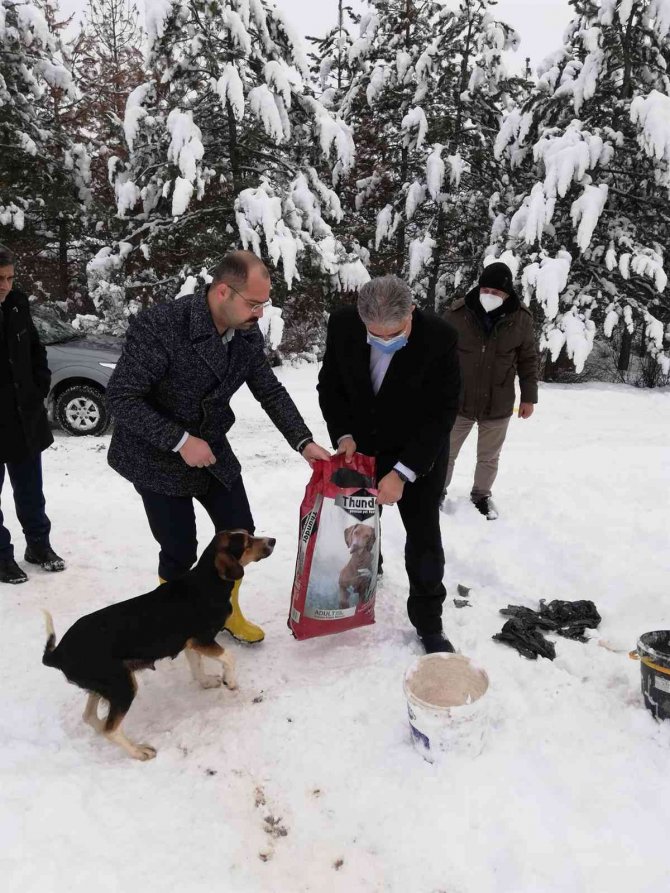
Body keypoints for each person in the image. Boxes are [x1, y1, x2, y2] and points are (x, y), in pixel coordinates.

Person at [106, 250, 330, 642]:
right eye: (254, 303)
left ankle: (225, 611)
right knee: (179, 549)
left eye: (265, 304)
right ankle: (175, 623)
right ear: (223, 291)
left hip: (210, 446)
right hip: (155, 450)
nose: (260, 313)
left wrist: (303, 441)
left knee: (239, 528)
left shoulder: (244, 331)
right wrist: (178, 441)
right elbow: (121, 398)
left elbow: (269, 389)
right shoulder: (161, 325)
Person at [317, 275, 461, 654]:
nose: (384, 341)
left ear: (411, 312)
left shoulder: (440, 339)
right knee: (361, 524)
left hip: (418, 453)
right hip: (362, 449)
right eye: (374, 334)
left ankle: (429, 622)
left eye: (393, 333)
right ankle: (368, 568)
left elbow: (442, 414)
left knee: (424, 538)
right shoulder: (343, 324)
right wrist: (343, 433)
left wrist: (402, 473)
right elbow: (330, 386)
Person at [442, 261, 538, 520]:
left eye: (496, 293)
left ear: (507, 294)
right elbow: (438, 353)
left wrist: (529, 397)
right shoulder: (458, 314)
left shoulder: (521, 319)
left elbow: (528, 360)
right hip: (458, 400)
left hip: (498, 402)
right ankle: (436, 491)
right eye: (486, 289)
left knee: (489, 457)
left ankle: (481, 496)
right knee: (445, 451)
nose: (490, 296)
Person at [0, 245, 65, 584]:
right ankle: (1, 557)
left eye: (9, 278)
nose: (5, 285)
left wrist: (40, 386)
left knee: (30, 490)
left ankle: (39, 546)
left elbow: (35, 348)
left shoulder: (17, 304)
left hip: (23, 416)